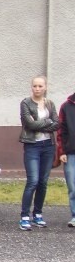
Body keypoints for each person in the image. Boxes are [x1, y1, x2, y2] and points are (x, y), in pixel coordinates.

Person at [19, 75, 59, 231]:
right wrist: (47, 122)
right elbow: (29, 124)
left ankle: (38, 214)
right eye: (35, 86)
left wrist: (41, 125)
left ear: (45, 87)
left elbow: (57, 123)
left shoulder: (50, 103)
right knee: (33, 181)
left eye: (40, 86)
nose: (37, 89)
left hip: (48, 146)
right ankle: (24, 216)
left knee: (43, 182)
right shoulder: (26, 103)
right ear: (32, 87)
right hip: (32, 146)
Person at [57, 91, 75, 227]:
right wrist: (61, 151)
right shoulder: (66, 107)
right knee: (72, 186)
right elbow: (61, 131)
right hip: (70, 153)